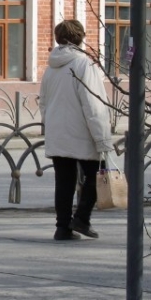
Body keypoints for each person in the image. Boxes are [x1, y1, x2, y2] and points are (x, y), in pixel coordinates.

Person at [38, 19, 113, 242]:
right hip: (82, 132)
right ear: (80, 37)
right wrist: (102, 138)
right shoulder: (84, 64)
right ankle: (81, 218)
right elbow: (93, 104)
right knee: (97, 175)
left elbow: (43, 102)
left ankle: (62, 228)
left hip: (58, 132)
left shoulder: (51, 67)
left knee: (64, 182)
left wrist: (49, 125)